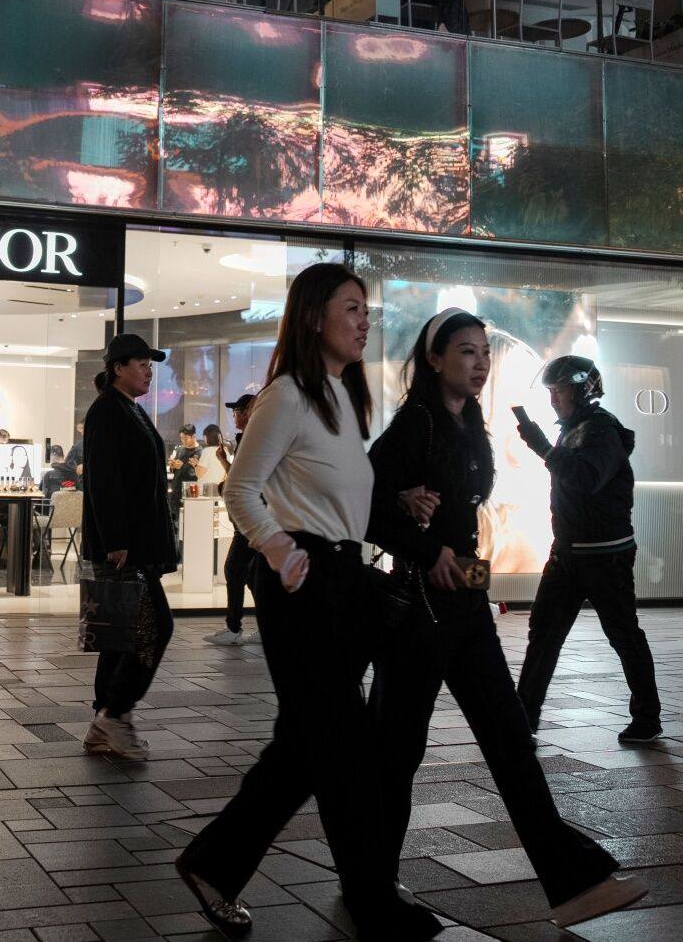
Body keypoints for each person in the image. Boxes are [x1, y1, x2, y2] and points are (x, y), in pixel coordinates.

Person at [176, 264, 441, 941]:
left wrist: (394, 503)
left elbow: (337, 499)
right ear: (313, 315)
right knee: (343, 743)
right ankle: (372, 897)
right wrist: (278, 551)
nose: (363, 320)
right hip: (305, 585)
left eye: (366, 310)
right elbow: (241, 490)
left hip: (342, 577)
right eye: (351, 307)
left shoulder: (340, 397)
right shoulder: (289, 394)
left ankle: (213, 865)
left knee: (306, 746)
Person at [368, 310, 646, 928]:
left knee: (511, 739)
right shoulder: (415, 424)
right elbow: (363, 505)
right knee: (397, 751)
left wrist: (450, 551)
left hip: (464, 604)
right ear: (434, 359)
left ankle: (571, 880)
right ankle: (371, 883)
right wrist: (421, 541)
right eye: (465, 352)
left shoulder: (469, 424)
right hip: (419, 611)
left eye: (482, 353)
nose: (479, 362)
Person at [513, 354, 663, 744]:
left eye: (558, 391)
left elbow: (584, 478)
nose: (552, 400)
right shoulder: (574, 428)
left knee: (622, 633)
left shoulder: (600, 430)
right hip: (567, 553)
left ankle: (647, 718)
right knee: (543, 634)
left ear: (582, 390)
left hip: (605, 554)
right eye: (550, 392)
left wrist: (542, 447)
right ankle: (522, 720)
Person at [79, 332, 179, 759]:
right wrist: (116, 539)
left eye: (151, 366)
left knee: (121, 635)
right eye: (141, 364)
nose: (148, 371)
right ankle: (114, 716)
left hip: (140, 543)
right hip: (124, 547)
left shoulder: (130, 410)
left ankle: (104, 720)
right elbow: (103, 479)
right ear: (117, 367)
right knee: (154, 627)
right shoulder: (107, 411)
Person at [206, 394, 259, 646]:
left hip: (250, 519)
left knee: (234, 568)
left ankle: (234, 627)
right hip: (248, 518)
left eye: (237, 411)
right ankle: (260, 626)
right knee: (250, 574)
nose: (235, 416)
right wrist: (225, 462)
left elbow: (248, 481)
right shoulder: (247, 440)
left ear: (247, 413)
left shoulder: (253, 440)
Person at [169, 423, 203, 487]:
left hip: (190, 490)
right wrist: (172, 467)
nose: (183, 441)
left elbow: (198, 475)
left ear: (194, 436)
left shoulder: (200, 452)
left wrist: (181, 467)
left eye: (186, 438)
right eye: (181, 438)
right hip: (176, 488)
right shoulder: (180, 450)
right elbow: (174, 471)